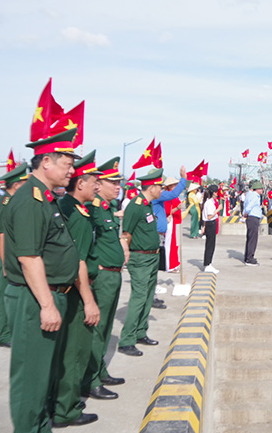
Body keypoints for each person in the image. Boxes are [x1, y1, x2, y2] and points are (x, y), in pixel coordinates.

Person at [2, 128, 89, 431]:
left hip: (47, 295)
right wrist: (47, 305)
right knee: (31, 380)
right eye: (67, 164)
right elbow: (29, 258)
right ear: (47, 163)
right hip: (35, 298)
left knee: (42, 378)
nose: (72, 170)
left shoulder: (46, 198)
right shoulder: (31, 200)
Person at [54, 151, 102, 427]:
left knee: (68, 351)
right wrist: (88, 300)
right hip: (75, 292)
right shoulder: (76, 215)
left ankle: (63, 401)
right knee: (74, 352)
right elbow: (78, 261)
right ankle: (67, 410)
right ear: (81, 184)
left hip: (70, 289)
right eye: (94, 181)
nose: (97, 186)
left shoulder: (72, 208)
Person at [83, 156, 127, 401]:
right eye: (113, 182)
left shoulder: (108, 208)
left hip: (114, 275)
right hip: (102, 276)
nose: (118, 186)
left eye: (119, 182)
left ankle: (99, 371)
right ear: (98, 184)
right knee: (97, 331)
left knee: (106, 327)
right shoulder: (93, 209)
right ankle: (90, 380)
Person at [118, 168, 167, 357]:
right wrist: (126, 256)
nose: (161, 190)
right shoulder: (136, 206)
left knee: (147, 297)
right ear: (152, 187)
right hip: (140, 258)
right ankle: (127, 340)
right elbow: (126, 233)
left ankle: (140, 332)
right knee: (138, 297)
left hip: (152, 257)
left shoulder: (148, 205)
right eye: (160, 187)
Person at [0, 163, 29, 348]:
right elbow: (1, 236)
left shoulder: (12, 202)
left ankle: (10, 330)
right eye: (24, 183)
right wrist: (6, 264)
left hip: (12, 254)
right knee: (4, 295)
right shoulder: (3, 203)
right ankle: (2, 334)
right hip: (5, 255)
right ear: (16, 185)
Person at [152, 173, 187, 273]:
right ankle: (169, 266)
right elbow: (167, 212)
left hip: (176, 223)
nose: (176, 187)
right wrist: (177, 208)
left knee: (175, 245)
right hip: (170, 223)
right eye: (174, 185)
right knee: (169, 245)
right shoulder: (166, 197)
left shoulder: (171, 196)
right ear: (169, 186)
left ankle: (174, 264)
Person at [201, 184, 222, 273]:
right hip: (211, 223)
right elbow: (209, 216)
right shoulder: (209, 203)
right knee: (210, 245)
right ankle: (207, 264)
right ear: (213, 193)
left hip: (211, 224)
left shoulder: (210, 202)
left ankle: (209, 263)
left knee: (211, 245)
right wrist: (218, 209)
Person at [242, 180, 264, 266]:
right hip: (253, 217)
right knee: (253, 239)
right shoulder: (255, 196)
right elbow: (249, 206)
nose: (262, 190)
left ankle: (247, 256)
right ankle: (250, 259)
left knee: (249, 237)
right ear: (256, 189)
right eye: (261, 188)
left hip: (250, 218)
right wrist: (246, 213)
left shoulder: (248, 194)